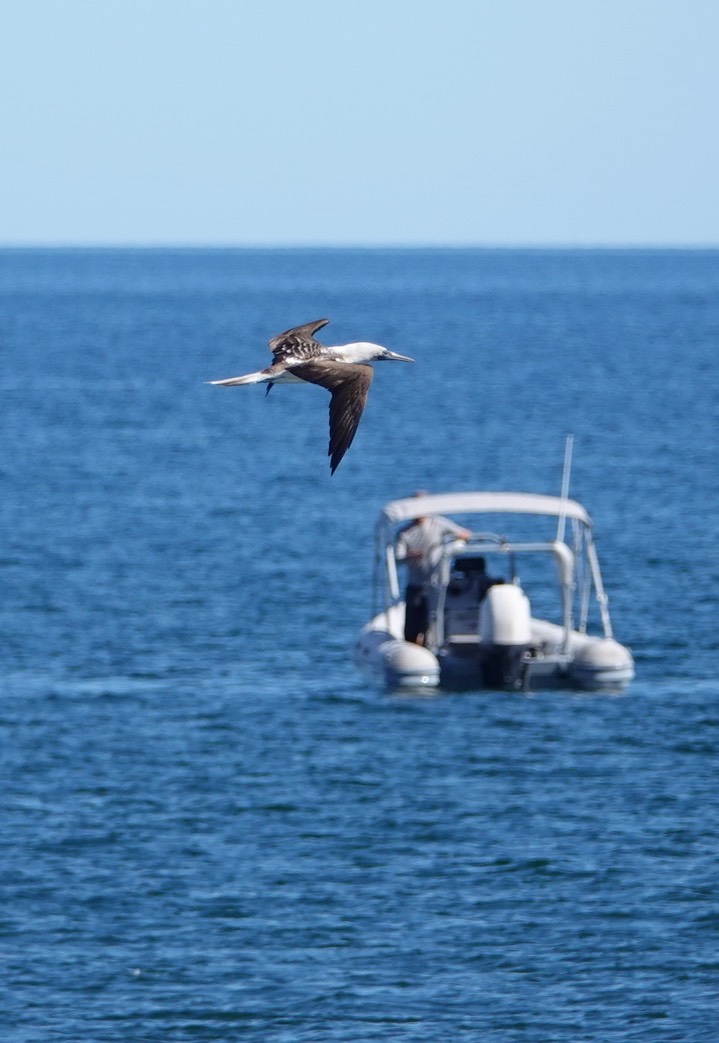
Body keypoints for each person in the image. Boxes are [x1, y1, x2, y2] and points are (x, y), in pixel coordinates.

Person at [395, 493, 470, 645]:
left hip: (436, 585)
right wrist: (410, 556)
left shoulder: (438, 524)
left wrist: (455, 544)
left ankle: (431, 644)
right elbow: (398, 558)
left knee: (431, 621)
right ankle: (412, 647)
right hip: (416, 585)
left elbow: (464, 534)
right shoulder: (405, 533)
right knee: (412, 624)